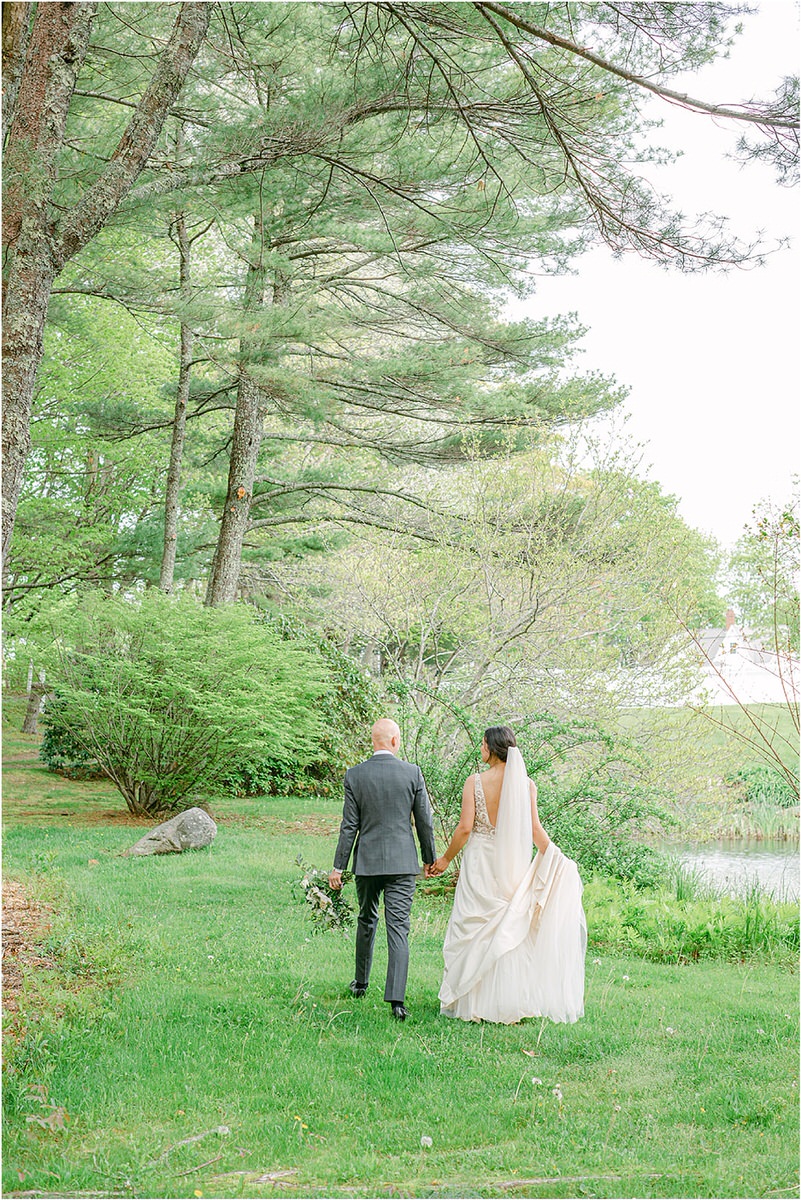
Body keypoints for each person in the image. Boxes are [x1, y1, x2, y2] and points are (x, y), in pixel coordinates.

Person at [430, 725, 586, 1024]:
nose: (480, 749)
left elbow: (464, 829)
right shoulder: (526, 785)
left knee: (476, 926)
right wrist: (556, 857)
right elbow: (535, 831)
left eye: (482, 744)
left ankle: (473, 1003)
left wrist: (446, 859)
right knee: (508, 926)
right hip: (510, 863)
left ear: (491, 747)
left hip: (479, 862)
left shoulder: (474, 782)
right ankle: (508, 1002)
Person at [329, 718, 437, 1021]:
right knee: (398, 927)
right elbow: (424, 821)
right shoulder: (412, 773)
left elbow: (349, 825)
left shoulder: (355, 775)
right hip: (403, 863)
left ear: (374, 741)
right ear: (395, 741)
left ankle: (361, 983)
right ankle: (396, 1001)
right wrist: (429, 859)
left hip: (368, 862)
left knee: (367, 918)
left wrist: (339, 866)